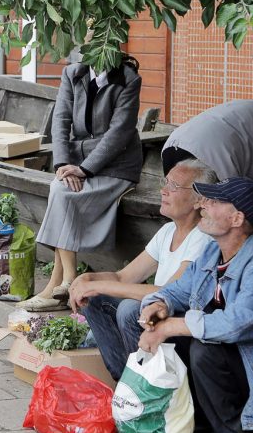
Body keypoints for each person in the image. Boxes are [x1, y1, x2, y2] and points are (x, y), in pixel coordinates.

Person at [138, 177, 253, 433]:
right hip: (234, 360)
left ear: (237, 218)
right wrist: (159, 304)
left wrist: (172, 326)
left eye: (214, 202)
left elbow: (236, 324)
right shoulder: (212, 251)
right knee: (156, 325)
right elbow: (180, 289)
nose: (203, 204)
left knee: (204, 348)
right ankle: (199, 419)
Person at [68, 159, 217, 380]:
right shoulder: (168, 231)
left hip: (179, 319)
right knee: (94, 299)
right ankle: (124, 381)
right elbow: (123, 276)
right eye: (165, 182)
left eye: (174, 186)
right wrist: (86, 278)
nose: (163, 191)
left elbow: (169, 291)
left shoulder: (203, 238)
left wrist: (96, 284)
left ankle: (144, 385)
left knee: (129, 309)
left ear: (199, 200)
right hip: (156, 312)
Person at [17, 56, 143, 311]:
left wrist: (85, 169)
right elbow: (61, 122)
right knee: (60, 188)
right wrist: (63, 165)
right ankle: (62, 283)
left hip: (115, 168)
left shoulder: (128, 79)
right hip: (76, 165)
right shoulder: (73, 73)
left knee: (61, 194)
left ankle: (61, 283)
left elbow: (120, 133)